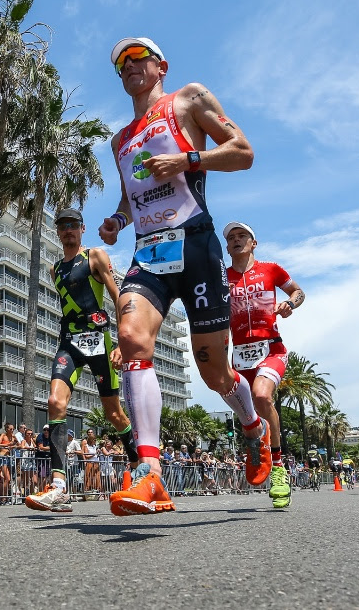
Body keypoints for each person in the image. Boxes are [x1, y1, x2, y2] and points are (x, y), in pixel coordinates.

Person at [98, 36, 272, 516]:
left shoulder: (190, 98)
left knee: (214, 373)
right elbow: (131, 197)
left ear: (161, 66)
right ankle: (149, 474)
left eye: (139, 58)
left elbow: (243, 151)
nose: (130, 66)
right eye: (121, 64)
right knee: (131, 339)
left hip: (194, 242)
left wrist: (187, 159)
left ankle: (253, 428)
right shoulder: (120, 140)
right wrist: (116, 220)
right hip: (148, 251)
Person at [25, 208, 140, 513]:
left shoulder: (95, 256)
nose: (68, 231)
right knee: (54, 401)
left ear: (82, 228)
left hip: (99, 341)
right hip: (69, 342)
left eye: (73, 225)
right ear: (57, 231)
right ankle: (59, 486)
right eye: (62, 226)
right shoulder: (55, 270)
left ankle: (138, 465)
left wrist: (122, 342)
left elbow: (118, 297)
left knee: (114, 415)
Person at [224, 220, 305, 509]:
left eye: (242, 235)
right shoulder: (222, 277)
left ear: (253, 243)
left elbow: (298, 292)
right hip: (239, 353)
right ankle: (255, 439)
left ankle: (280, 469)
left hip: (272, 348)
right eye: (231, 237)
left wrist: (289, 305)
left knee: (261, 395)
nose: (236, 240)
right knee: (242, 405)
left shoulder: (271, 269)